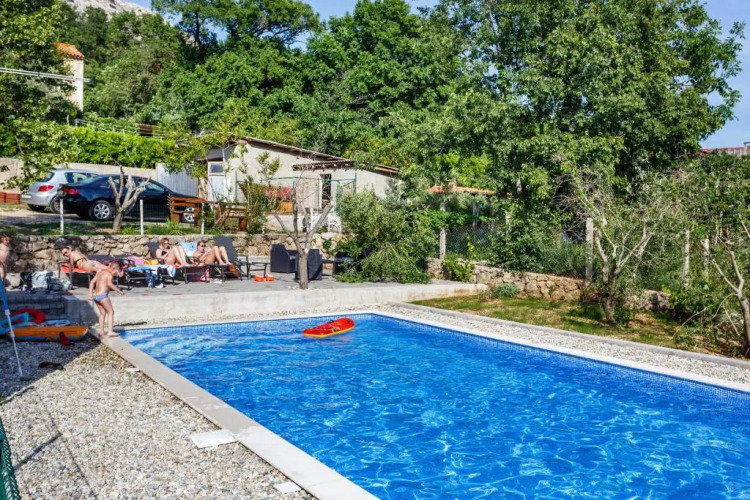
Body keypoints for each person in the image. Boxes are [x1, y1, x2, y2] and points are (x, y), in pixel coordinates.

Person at [88, 263, 124, 338]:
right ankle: (110, 331)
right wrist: (119, 291)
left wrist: (90, 294)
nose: (115, 275)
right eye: (116, 272)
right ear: (114, 269)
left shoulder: (100, 272)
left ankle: (101, 331)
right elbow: (109, 284)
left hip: (96, 296)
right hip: (103, 296)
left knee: (102, 313)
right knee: (111, 312)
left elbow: (92, 282)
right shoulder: (109, 274)